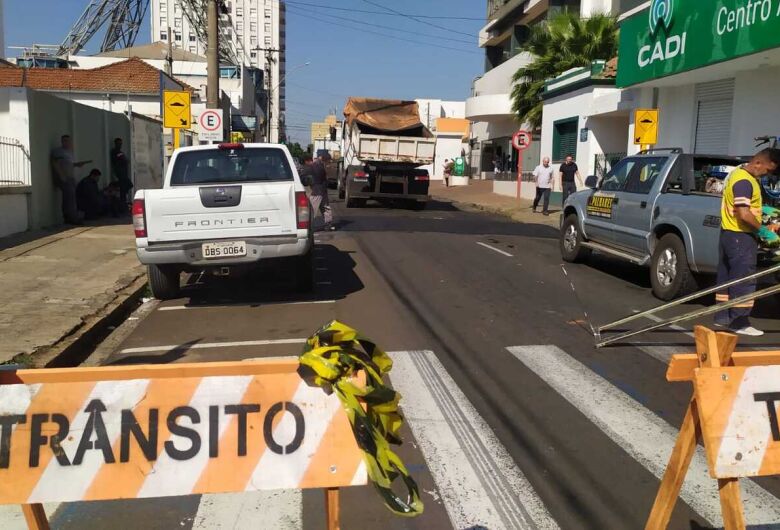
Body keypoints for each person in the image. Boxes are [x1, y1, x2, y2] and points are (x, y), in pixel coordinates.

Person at [714, 148, 780, 336]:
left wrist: (763, 209)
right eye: (767, 170)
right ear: (758, 163)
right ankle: (739, 321)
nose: (768, 175)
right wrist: (763, 232)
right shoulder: (745, 181)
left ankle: (722, 317)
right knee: (744, 279)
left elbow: (743, 205)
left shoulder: (737, 173)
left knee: (726, 278)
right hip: (741, 236)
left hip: (728, 233)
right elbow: (743, 213)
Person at [51, 135, 92, 225]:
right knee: (70, 198)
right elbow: (55, 163)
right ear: (62, 141)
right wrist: (61, 175)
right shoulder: (58, 152)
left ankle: (68, 218)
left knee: (69, 198)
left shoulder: (70, 152)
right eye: (64, 141)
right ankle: (73, 218)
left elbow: (70, 164)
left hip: (70, 177)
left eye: (68, 141)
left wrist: (78, 164)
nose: (66, 142)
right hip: (64, 177)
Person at [300, 154, 334, 231]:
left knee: (311, 209)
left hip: (316, 191)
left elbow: (303, 178)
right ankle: (328, 224)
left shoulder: (311, 167)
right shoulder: (319, 165)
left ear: (307, 161)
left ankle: (307, 226)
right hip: (323, 190)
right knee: (325, 208)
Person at [110, 137, 132, 210]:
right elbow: (123, 160)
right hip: (120, 174)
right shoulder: (115, 151)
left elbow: (125, 160)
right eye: (119, 143)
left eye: (121, 143)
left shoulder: (119, 152)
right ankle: (122, 205)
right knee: (126, 186)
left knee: (127, 186)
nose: (120, 145)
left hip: (123, 173)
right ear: (116, 144)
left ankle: (123, 202)